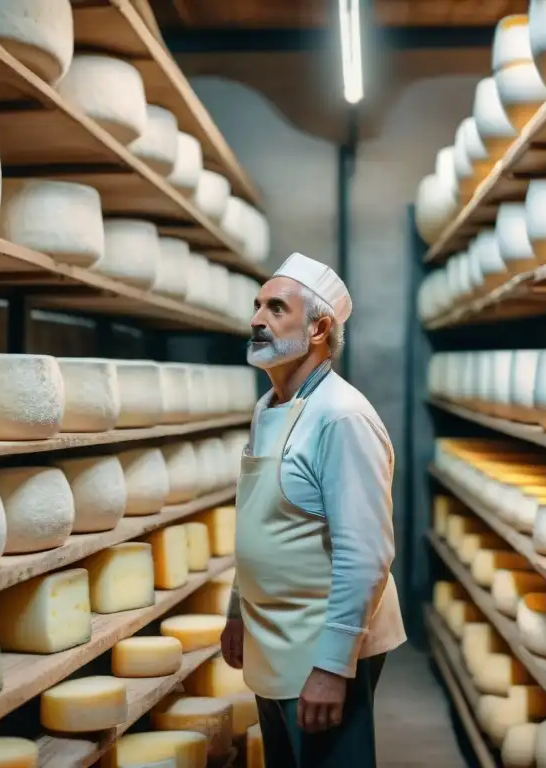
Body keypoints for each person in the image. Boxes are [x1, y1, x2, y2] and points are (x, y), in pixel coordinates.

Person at [220, 252, 407, 767]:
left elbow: (365, 553)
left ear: (320, 327)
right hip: (272, 637)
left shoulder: (341, 418)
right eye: (257, 305)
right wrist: (239, 608)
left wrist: (331, 666)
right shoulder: (269, 407)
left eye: (276, 308)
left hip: (321, 641)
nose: (257, 319)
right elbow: (260, 518)